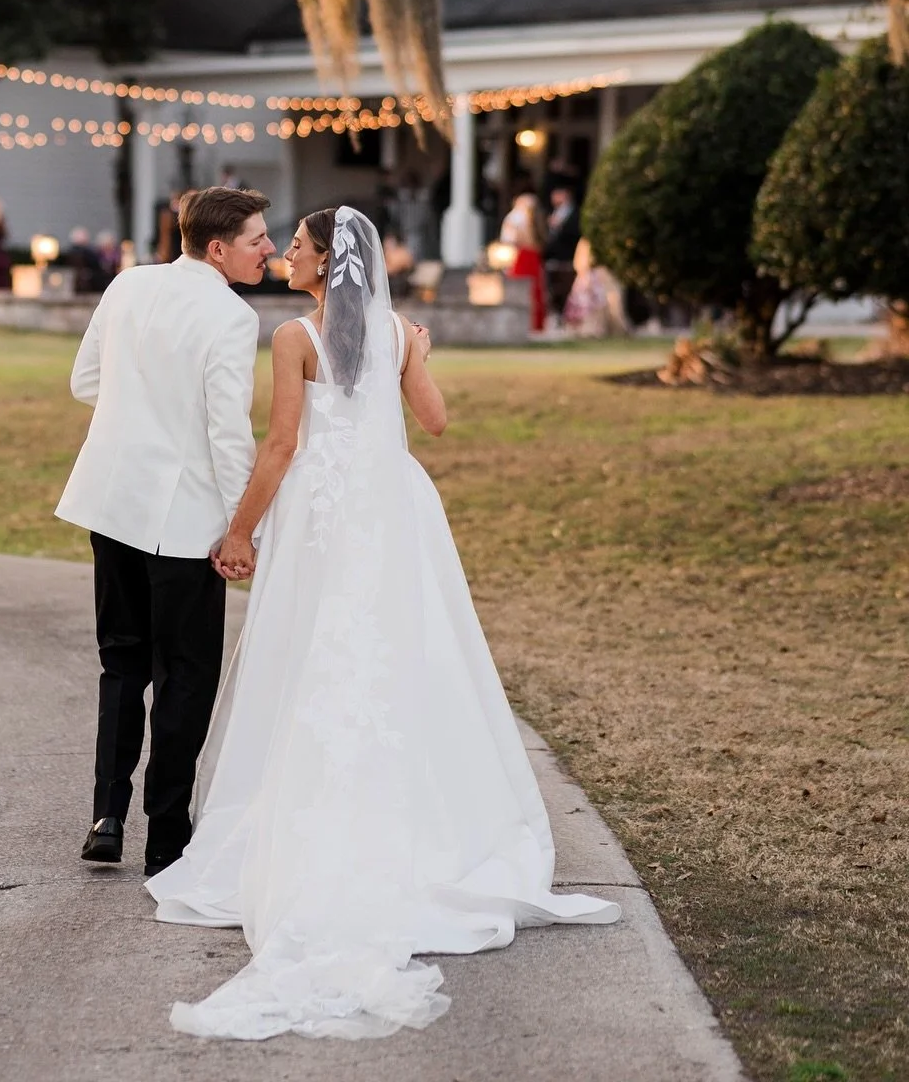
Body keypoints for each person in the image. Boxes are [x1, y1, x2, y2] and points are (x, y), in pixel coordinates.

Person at [148, 207, 620, 1041]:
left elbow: (283, 445)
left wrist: (240, 530)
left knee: (311, 657)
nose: (285, 254)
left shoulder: (294, 337)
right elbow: (432, 424)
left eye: (295, 245)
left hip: (326, 516)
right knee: (405, 653)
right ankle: (425, 824)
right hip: (393, 511)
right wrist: (421, 355)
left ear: (327, 262)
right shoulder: (400, 332)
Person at [56, 186, 275, 876]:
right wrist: (244, 526)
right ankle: (168, 838)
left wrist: (141, 406)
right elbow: (228, 434)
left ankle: (107, 815)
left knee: (121, 663)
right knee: (185, 676)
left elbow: (85, 381)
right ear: (218, 249)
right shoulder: (233, 318)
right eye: (257, 240)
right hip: (183, 523)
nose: (268, 249)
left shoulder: (127, 285)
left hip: (111, 502)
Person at [500, 190, 547, 332]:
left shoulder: (524, 218)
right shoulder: (521, 218)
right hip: (525, 256)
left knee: (532, 289)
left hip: (526, 256)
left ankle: (533, 323)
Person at [542, 183, 582, 321]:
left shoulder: (575, 213)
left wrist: (560, 226)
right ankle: (558, 313)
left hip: (567, 256)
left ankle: (565, 315)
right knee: (554, 287)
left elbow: (576, 232)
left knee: (566, 287)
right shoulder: (554, 211)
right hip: (554, 256)